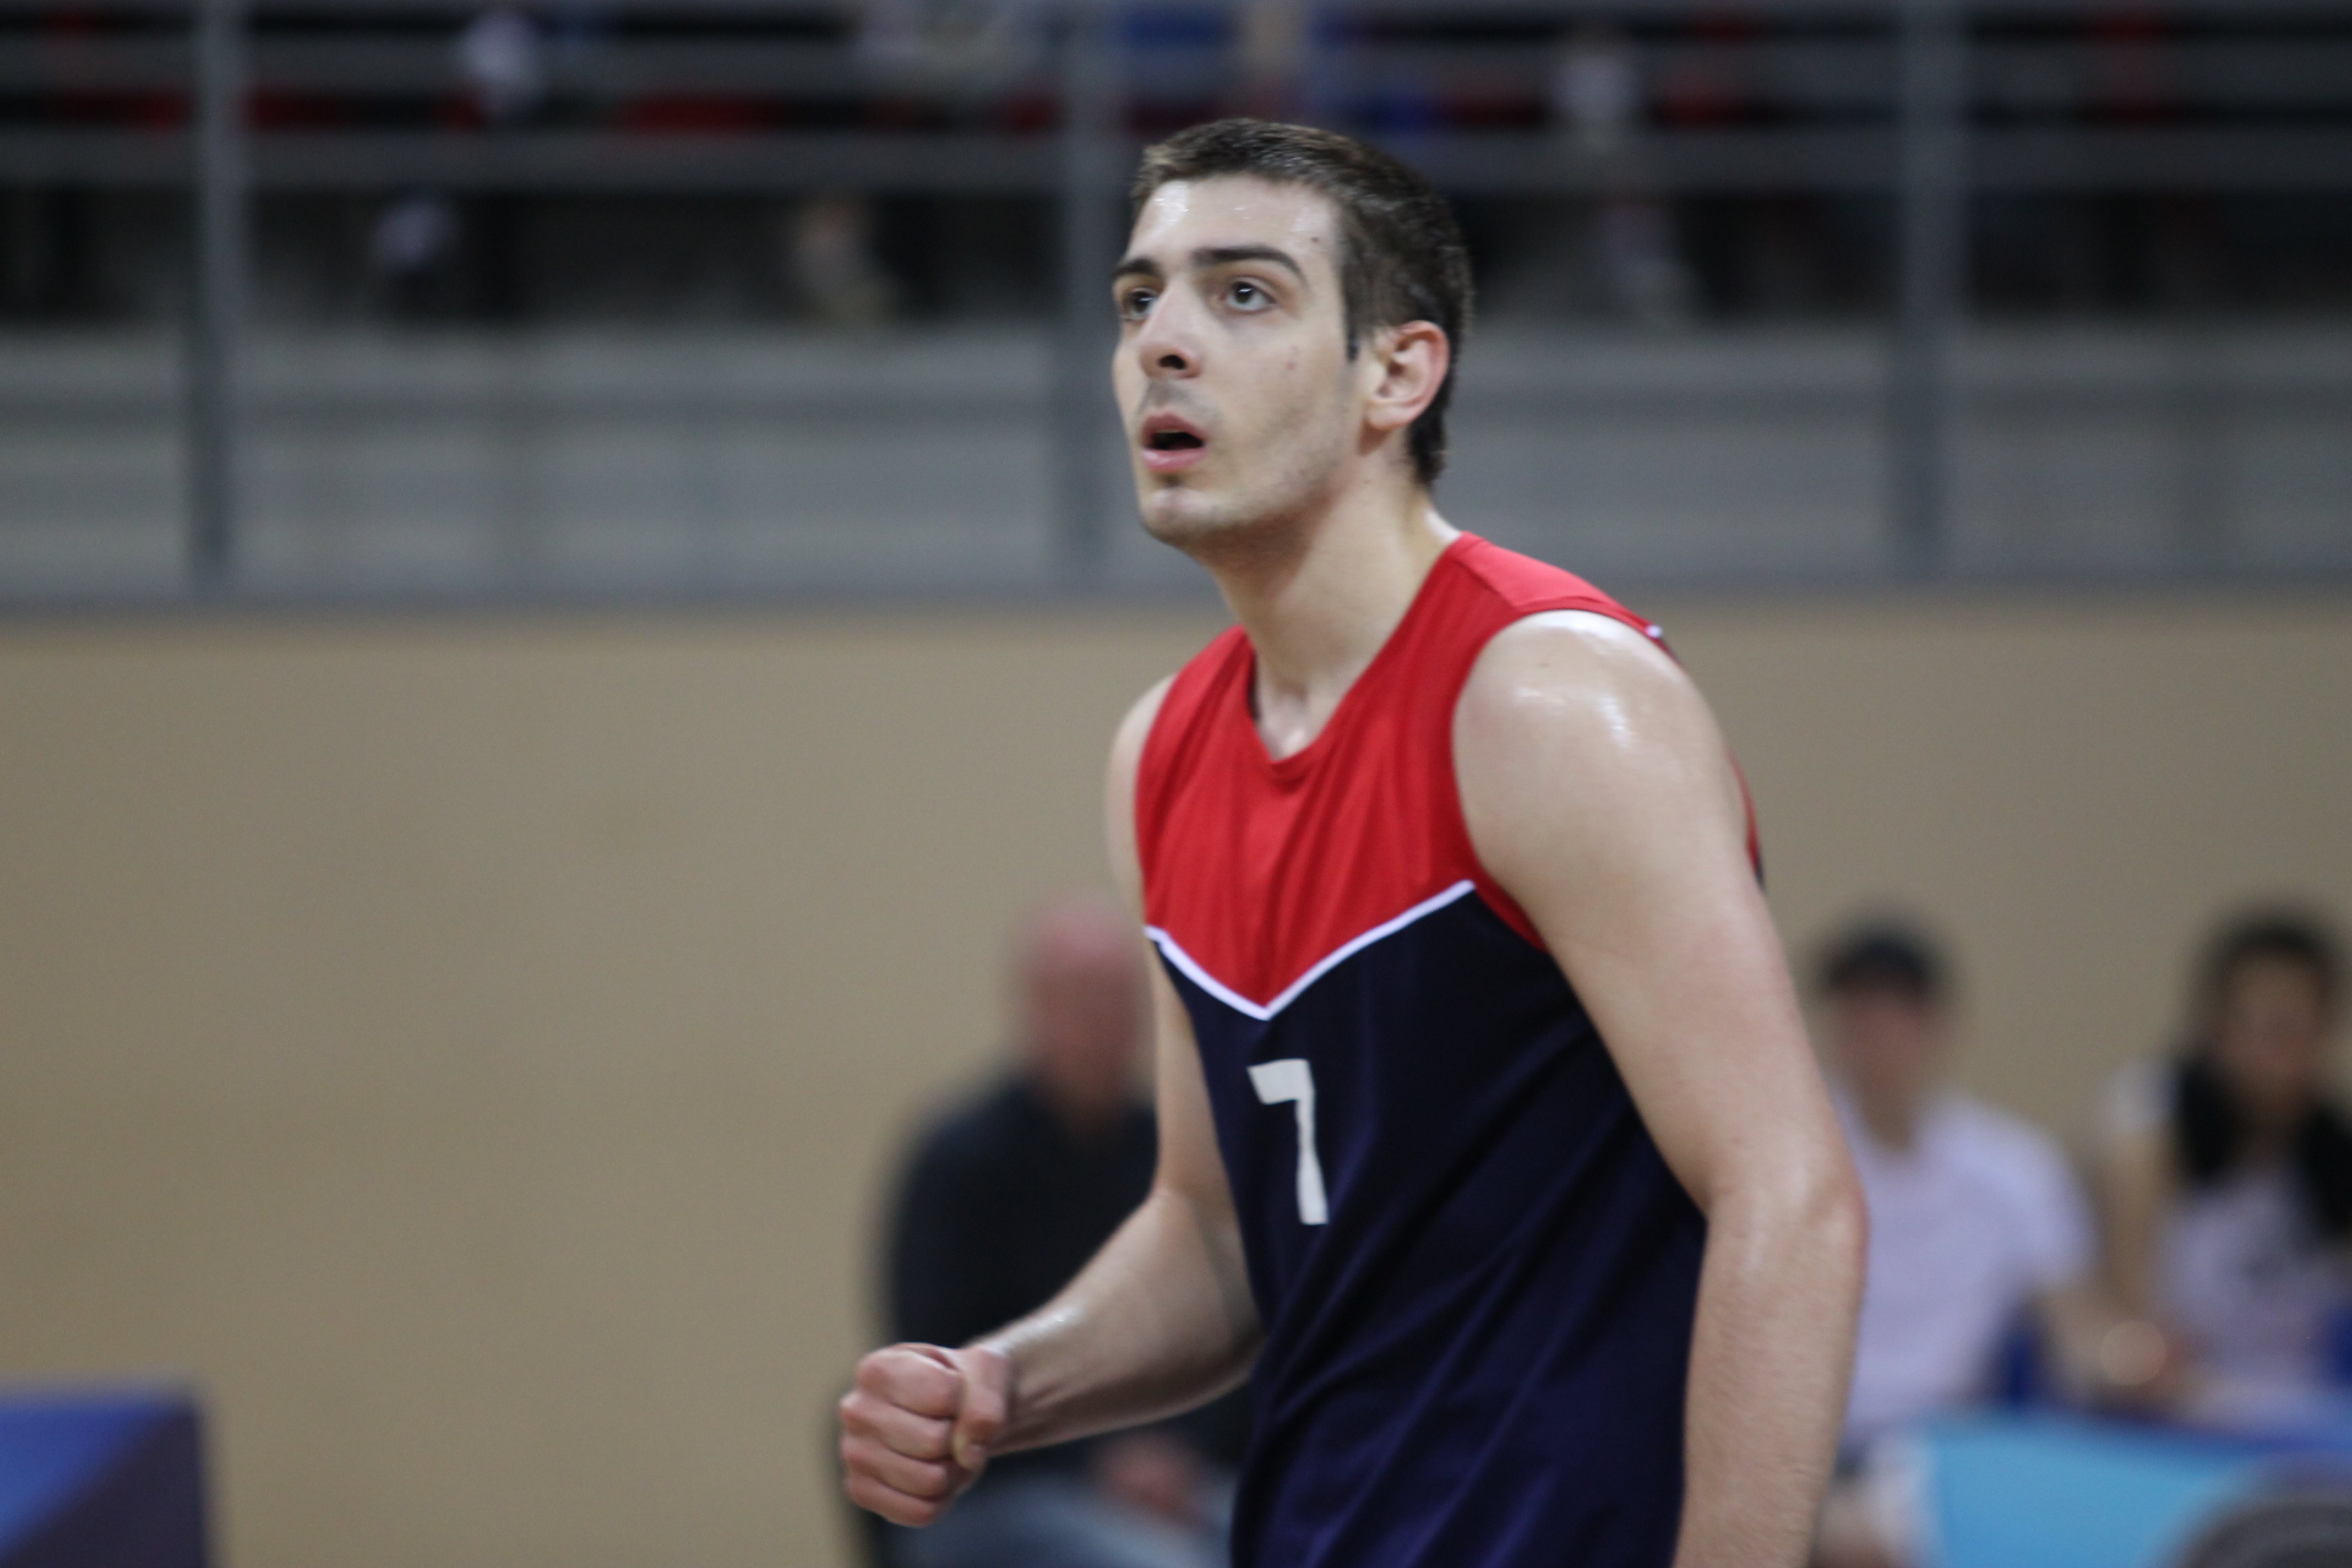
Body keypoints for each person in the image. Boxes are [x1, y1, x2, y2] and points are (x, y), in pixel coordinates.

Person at [840, 118, 1865, 1568]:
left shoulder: (1547, 699)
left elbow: (1791, 1197)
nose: (1164, 344)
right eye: (1139, 300)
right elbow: (1218, 1235)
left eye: (1243, 294)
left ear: (1399, 372)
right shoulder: (1162, 753)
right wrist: (1008, 1381)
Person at [878, 891, 1242, 1568]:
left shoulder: (1173, 1152)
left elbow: (1227, 1328)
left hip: (1176, 1477)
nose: (1105, 1020)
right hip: (1007, 1485)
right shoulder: (963, 1158)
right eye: (1082, 998)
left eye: (1119, 999)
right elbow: (937, 1347)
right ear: (1034, 1007)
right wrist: (1102, 1460)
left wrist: (1178, 1453)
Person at [1808, 922, 2115, 1568]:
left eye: (1888, 1013)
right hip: (1820, 1448)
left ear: (1933, 1024)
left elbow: (2079, 1330)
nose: (1871, 1036)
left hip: (1951, 1454)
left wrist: (2128, 1358)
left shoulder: (2014, 1168)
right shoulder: (1796, 1158)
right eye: (1854, 1014)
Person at [2094, 909, 2352, 1429]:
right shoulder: (2147, 1127)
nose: (2276, 1054)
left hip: (2304, 1411)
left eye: (2297, 1031)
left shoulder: (2331, 1151)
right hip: (2182, 1413)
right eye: (2263, 1028)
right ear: (2216, 1027)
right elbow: (2131, 1326)